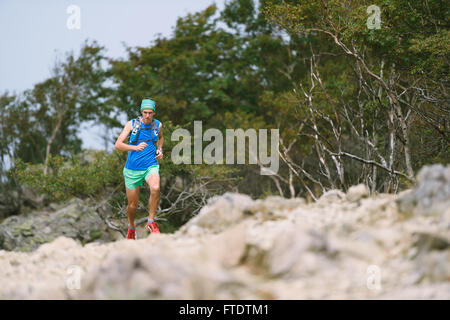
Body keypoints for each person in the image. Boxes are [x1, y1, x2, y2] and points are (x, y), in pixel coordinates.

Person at [115, 98, 164, 239]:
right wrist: (134, 147)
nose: (147, 116)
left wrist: (160, 149)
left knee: (155, 188)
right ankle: (131, 228)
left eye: (150, 113)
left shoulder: (158, 125)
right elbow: (118, 144)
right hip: (132, 169)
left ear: (154, 113)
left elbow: (160, 138)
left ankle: (151, 222)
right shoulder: (131, 125)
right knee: (132, 206)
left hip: (151, 165)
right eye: (145, 112)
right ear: (141, 112)